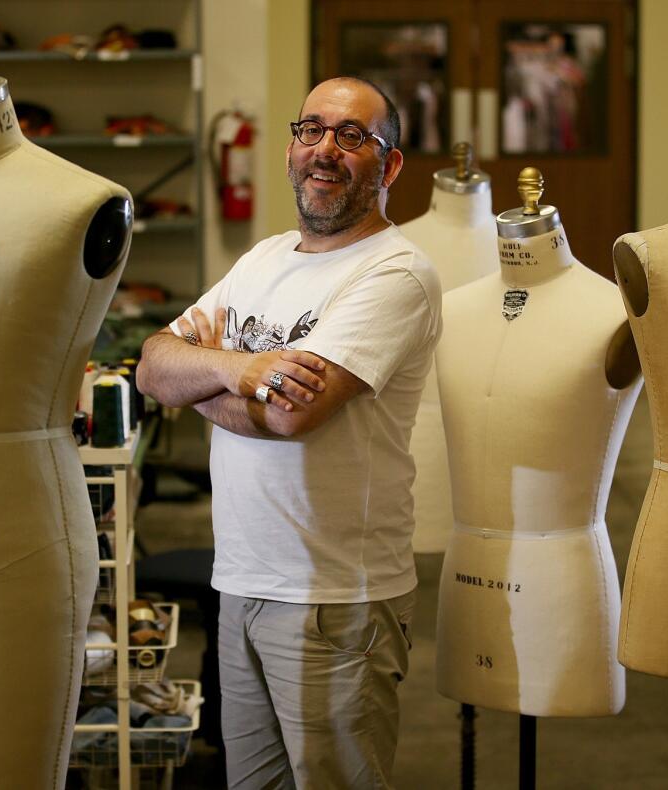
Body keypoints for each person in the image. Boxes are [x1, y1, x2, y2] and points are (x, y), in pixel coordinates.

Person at [137, 76, 441, 789]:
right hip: (241, 579)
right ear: (290, 148)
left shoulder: (395, 274)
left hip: (335, 598)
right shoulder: (262, 259)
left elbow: (290, 416)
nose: (324, 150)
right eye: (311, 130)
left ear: (389, 165)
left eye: (352, 135)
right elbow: (153, 366)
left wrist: (203, 381)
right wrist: (244, 370)